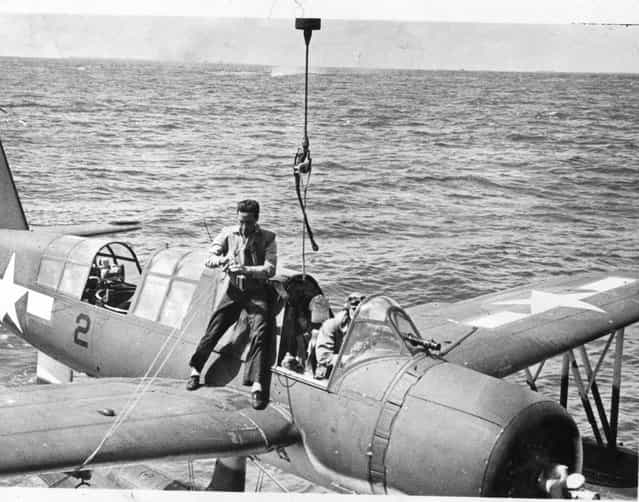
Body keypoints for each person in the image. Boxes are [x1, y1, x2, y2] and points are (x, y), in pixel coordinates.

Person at [187, 199, 276, 410]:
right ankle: (195, 371)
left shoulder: (269, 238)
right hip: (234, 292)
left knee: (260, 335)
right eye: (240, 222)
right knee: (213, 330)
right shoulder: (228, 233)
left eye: (248, 222)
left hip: (256, 293)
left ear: (256, 220)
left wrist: (246, 270)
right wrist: (220, 260)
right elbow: (210, 256)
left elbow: (270, 269)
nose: (244, 227)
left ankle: (256, 386)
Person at [314, 292, 365, 379]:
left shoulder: (363, 326)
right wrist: (347, 360)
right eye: (354, 308)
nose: (357, 312)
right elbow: (323, 356)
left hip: (350, 371)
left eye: (360, 310)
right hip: (328, 375)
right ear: (348, 308)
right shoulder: (331, 325)